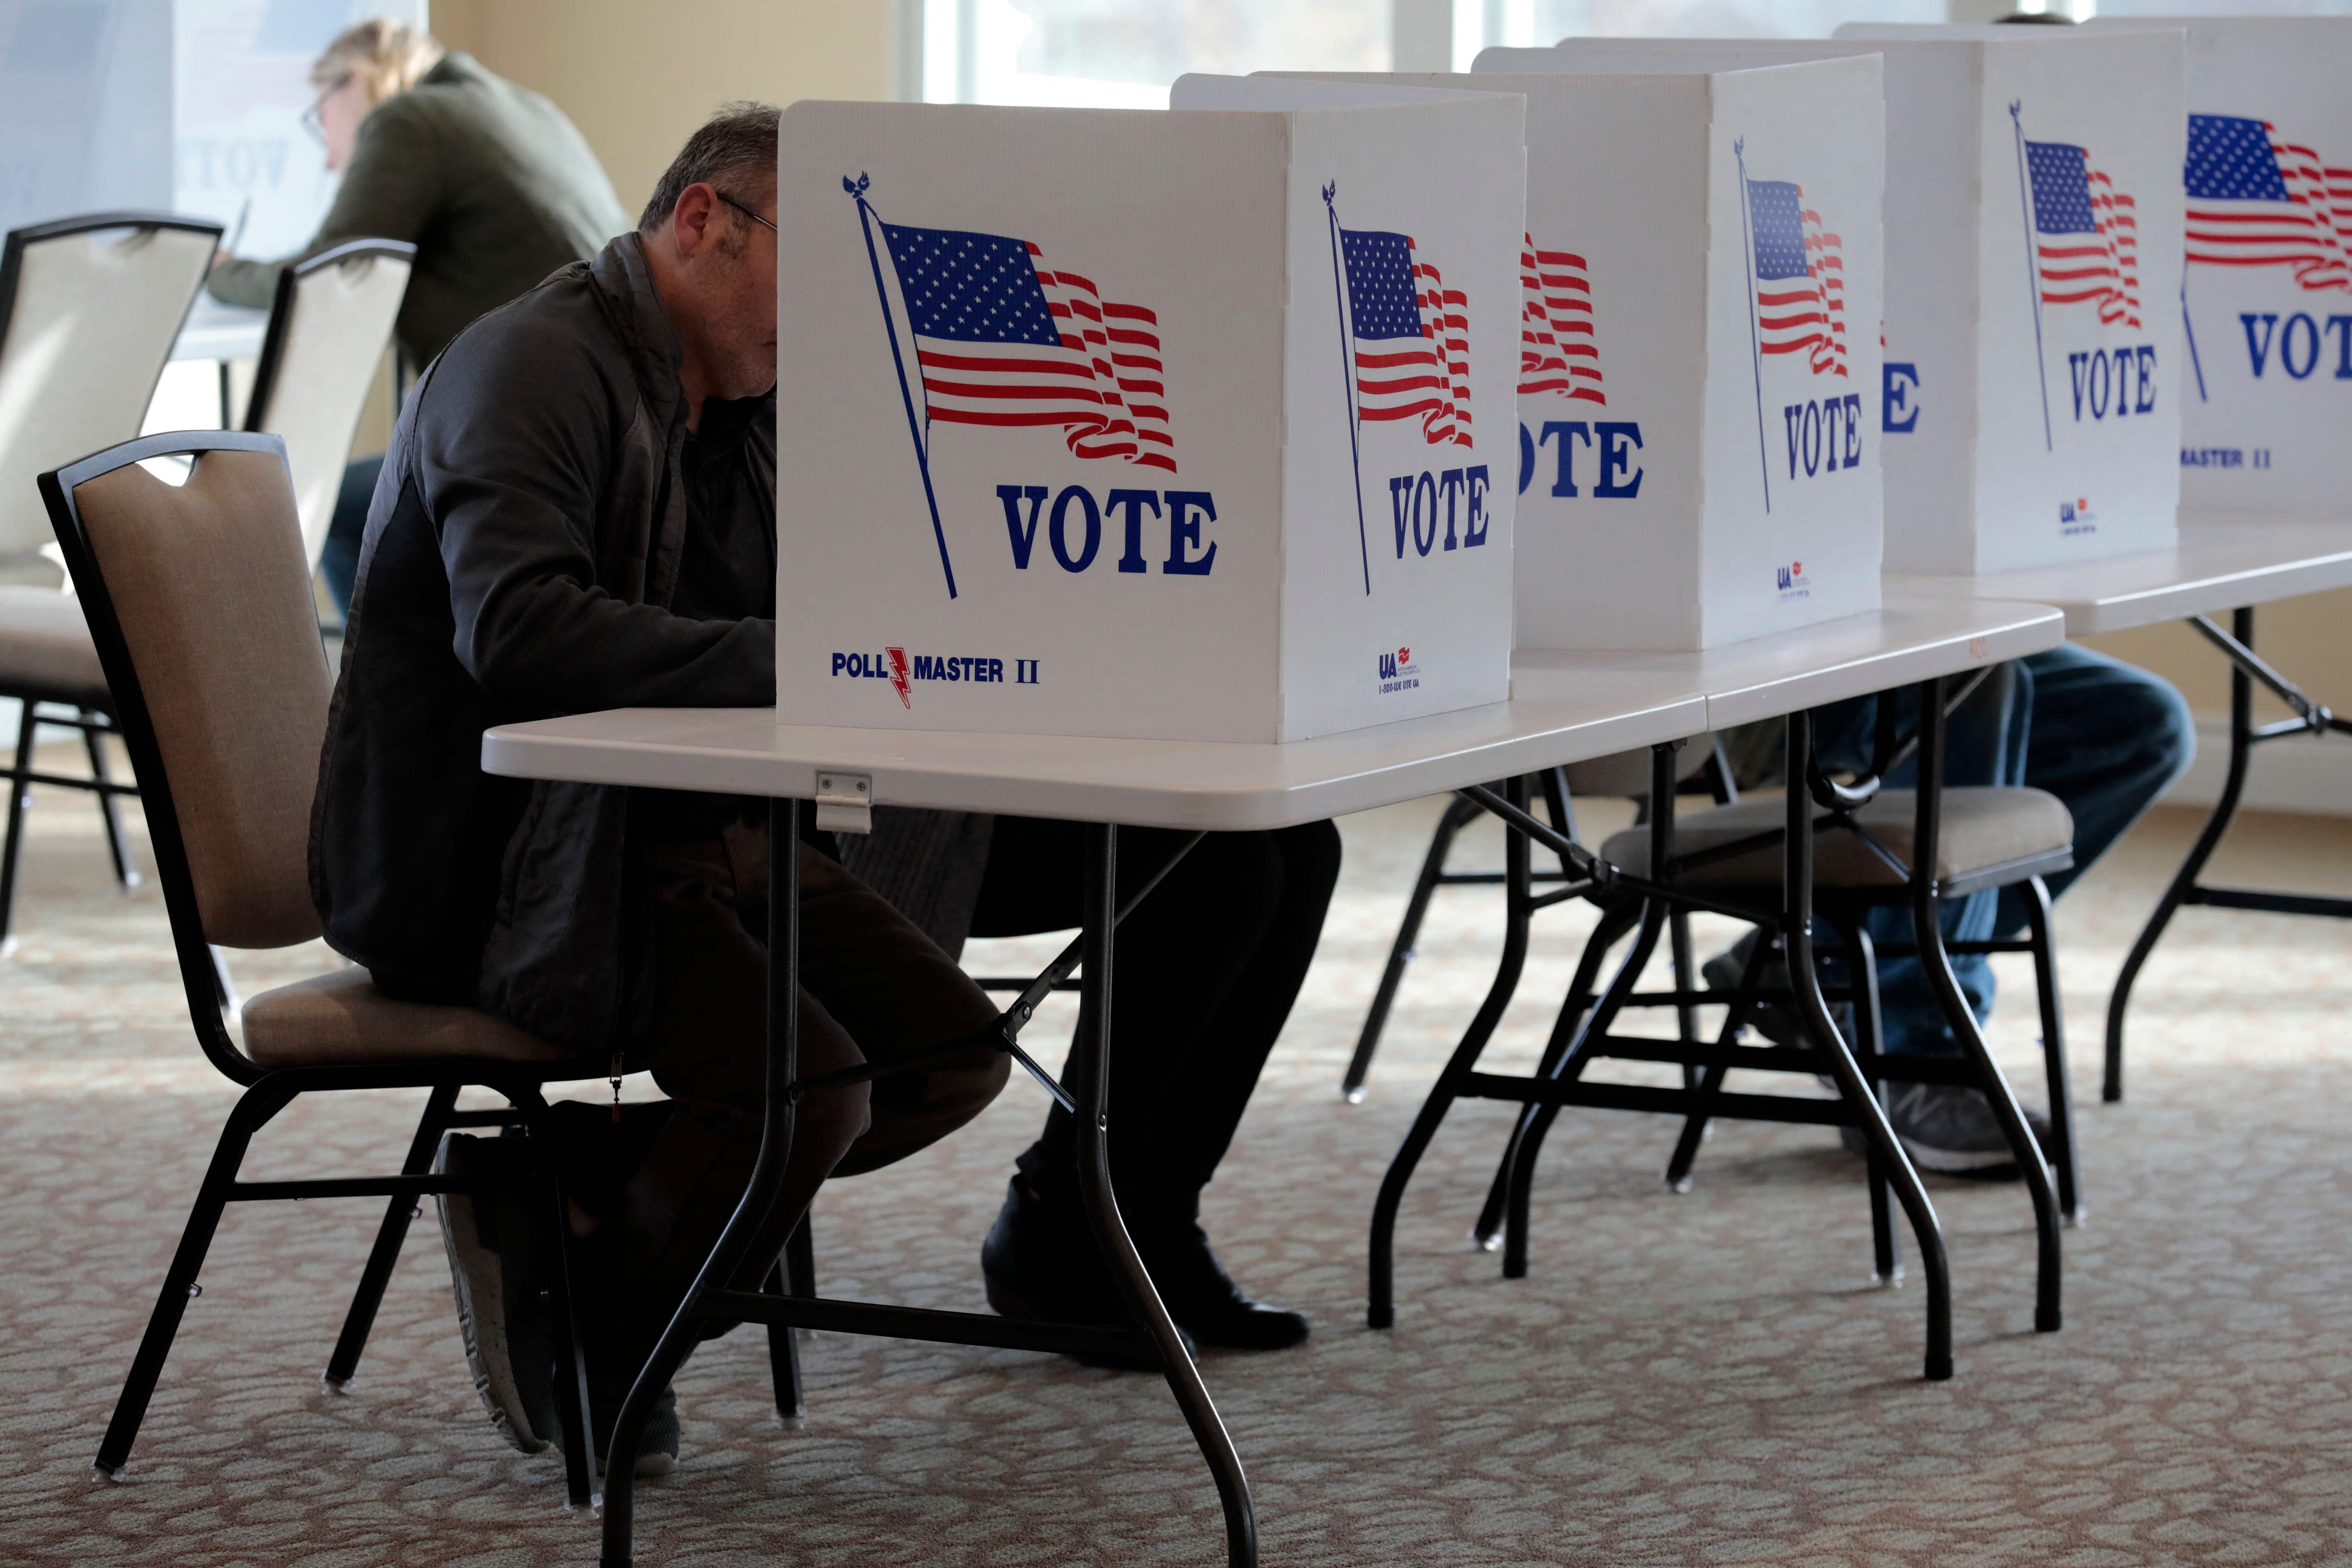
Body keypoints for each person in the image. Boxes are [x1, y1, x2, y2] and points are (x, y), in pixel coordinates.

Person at [309, 104, 1329, 1478]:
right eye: (819, 268)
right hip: (511, 865)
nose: (845, 319)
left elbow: (860, 594)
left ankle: (586, 1183)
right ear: (703, 222)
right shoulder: (528, 367)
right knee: (814, 1087)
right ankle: (625, 1327)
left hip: (702, 825)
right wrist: (813, 660)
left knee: (959, 1050)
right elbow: (525, 634)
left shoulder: (753, 394)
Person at [1706, 648, 2194, 1175]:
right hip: (1740, 665)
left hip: (1870, 626)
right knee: (1964, 672)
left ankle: (1823, 957)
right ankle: (1908, 1055)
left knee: (2142, 721)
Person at [206, 18, 628, 616]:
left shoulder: (409, 120)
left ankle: (392, 679)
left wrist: (217, 270)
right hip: (607, 428)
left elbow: (328, 273)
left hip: (524, 437)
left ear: (353, 81)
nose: (329, 159)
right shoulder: (527, 109)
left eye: (319, 118)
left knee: (333, 513)